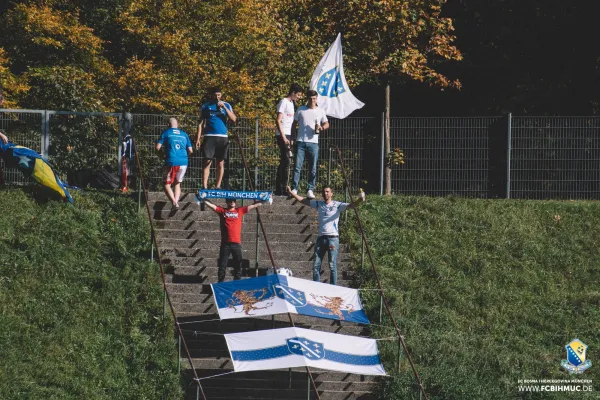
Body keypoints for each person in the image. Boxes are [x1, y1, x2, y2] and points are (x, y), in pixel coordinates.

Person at [287, 185, 365, 285]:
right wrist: (292, 193)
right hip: (321, 238)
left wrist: (360, 200)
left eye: (328, 192)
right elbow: (303, 201)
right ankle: (316, 287)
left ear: (332, 193)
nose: (325, 193)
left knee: (332, 265)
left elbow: (351, 205)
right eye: (324, 192)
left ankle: (333, 288)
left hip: (333, 238)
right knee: (316, 265)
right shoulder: (319, 204)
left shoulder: (337, 205)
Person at [200, 197, 267, 282]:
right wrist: (202, 198)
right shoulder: (222, 211)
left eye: (234, 201)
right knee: (222, 266)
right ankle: (221, 284)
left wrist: (265, 200)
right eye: (230, 201)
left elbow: (253, 205)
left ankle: (237, 286)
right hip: (225, 244)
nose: (232, 202)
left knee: (238, 266)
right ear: (227, 202)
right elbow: (212, 205)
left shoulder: (240, 210)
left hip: (236, 244)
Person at [290, 89, 329, 199]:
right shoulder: (301, 109)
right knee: (297, 167)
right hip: (301, 142)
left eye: (315, 99)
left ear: (317, 99)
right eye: (311, 99)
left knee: (313, 168)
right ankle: (294, 188)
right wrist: (293, 137)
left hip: (313, 143)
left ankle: (310, 189)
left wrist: (321, 127)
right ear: (307, 99)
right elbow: (294, 124)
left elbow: (326, 123)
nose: (313, 101)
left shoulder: (320, 111)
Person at [196, 87, 237, 190]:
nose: (217, 97)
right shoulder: (206, 106)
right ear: (212, 95)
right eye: (215, 95)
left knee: (220, 162)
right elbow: (201, 124)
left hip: (222, 137)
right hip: (210, 136)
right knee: (207, 161)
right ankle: (204, 186)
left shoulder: (226, 105)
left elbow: (234, 119)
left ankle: (217, 186)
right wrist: (198, 138)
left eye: (218, 95)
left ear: (221, 95)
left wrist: (224, 108)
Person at [156, 117, 193, 209]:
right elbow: (191, 150)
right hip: (184, 162)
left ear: (168, 125)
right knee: (177, 183)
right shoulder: (184, 134)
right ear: (178, 125)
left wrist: (161, 156)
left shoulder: (166, 133)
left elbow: (157, 147)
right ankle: (176, 202)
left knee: (166, 184)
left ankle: (174, 202)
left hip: (171, 161)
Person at [275, 83, 303, 195]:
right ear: (293, 93)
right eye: (298, 95)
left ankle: (280, 187)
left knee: (285, 161)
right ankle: (282, 188)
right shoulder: (283, 102)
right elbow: (278, 120)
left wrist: (292, 137)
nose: (299, 97)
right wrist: (283, 137)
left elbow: (292, 123)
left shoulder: (292, 104)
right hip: (282, 134)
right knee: (286, 160)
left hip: (289, 135)